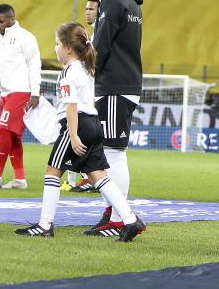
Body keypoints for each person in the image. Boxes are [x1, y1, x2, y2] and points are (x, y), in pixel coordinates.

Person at [15, 22, 145, 241]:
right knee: (99, 177)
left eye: (57, 43)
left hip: (77, 126)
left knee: (52, 171)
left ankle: (45, 225)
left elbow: (71, 106)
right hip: (93, 124)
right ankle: (131, 219)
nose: (55, 48)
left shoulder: (69, 72)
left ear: (68, 48)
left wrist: (73, 135)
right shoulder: (86, 69)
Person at [85, 0, 143, 238]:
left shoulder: (113, 1)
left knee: (114, 153)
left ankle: (120, 218)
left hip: (114, 86)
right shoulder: (131, 2)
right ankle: (113, 214)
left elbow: (101, 47)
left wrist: (85, 73)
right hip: (127, 84)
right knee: (114, 152)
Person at [0, 4, 42, 190]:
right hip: (5, 92)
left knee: (2, 129)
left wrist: (35, 92)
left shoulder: (25, 37)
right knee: (13, 136)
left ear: (11, 20)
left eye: (0, 22)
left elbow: (34, 65)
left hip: (21, 91)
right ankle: (20, 179)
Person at [68, 0, 104, 192]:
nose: (87, 12)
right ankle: (92, 178)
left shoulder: (99, 34)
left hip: (98, 95)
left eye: (91, 8)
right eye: (86, 8)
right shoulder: (92, 34)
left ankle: (95, 179)